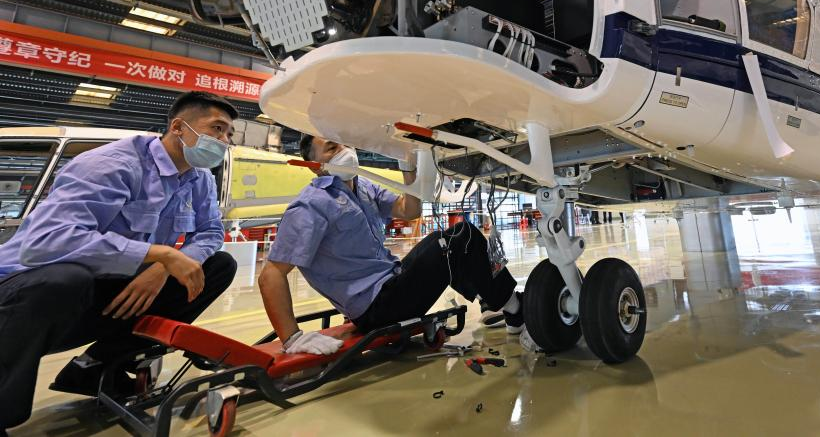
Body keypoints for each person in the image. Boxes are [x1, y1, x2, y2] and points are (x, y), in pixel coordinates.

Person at [0, 91, 239, 432]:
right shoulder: (113, 165)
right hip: (25, 288)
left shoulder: (197, 177)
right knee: (65, 279)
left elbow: (211, 231)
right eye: (216, 128)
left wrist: (161, 267)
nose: (224, 140)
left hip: (104, 285)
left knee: (218, 267)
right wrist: (157, 254)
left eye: (229, 133)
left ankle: (95, 367)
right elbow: (44, 242)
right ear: (178, 127)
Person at [258, 135, 522, 355]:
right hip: (376, 308)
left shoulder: (363, 187)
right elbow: (271, 275)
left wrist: (406, 166)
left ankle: (493, 299)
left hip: (392, 282)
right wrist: (292, 337)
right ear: (315, 166)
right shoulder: (311, 205)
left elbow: (409, 210)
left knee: (453, 240)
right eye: (332, 148)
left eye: (345, 143)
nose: (345, 151)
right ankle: (514, 307)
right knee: (455, 240)